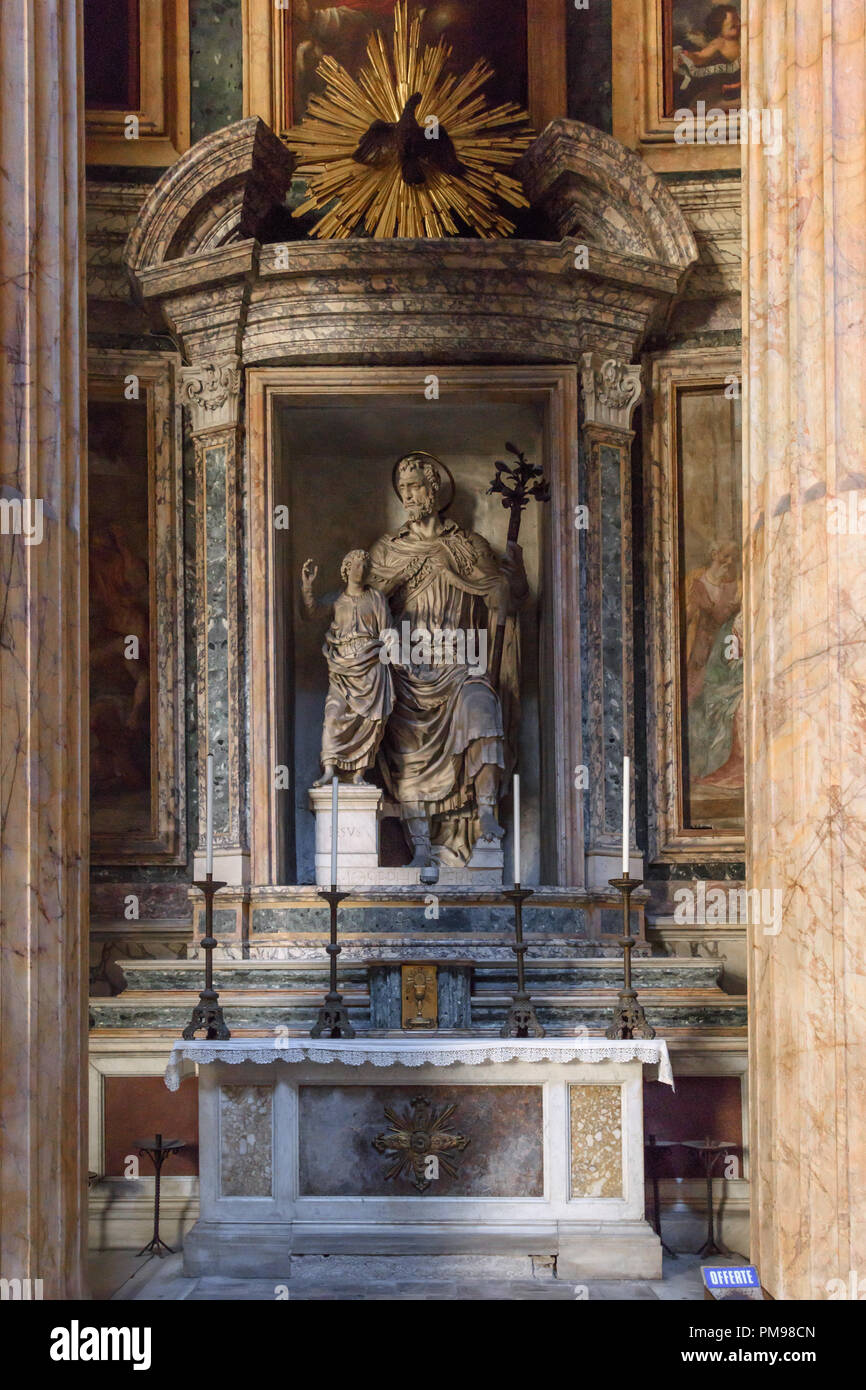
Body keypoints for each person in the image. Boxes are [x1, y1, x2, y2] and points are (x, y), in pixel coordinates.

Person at [302, 549, 394, 786]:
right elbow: (311, 613)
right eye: (355, 565)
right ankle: (330, 769)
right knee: (333, 715)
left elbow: (387, 632)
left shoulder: (376, 598)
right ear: (346, 569)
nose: (360, 570)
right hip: (342, 668)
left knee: (368, 721)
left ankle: (359, 774)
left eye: (364, 566)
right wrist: (307, 587)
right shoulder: (336, 599)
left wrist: (399, 655)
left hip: (372, 667)